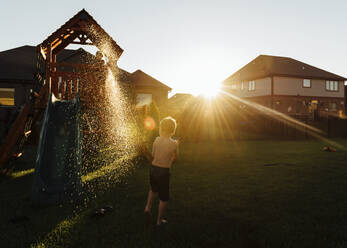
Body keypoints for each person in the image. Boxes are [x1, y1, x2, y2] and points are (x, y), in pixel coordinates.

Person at [143, 116, 179, 226]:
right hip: (164, 172)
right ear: (173, 131)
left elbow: (153, 156)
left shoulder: (157, 140)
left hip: (153, 169)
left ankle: (147, 207)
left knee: (153, 189)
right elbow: (175, 158)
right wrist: (170, 158)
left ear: (161, 129)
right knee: (164, 197)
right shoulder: (174, 143)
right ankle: (159, 221)